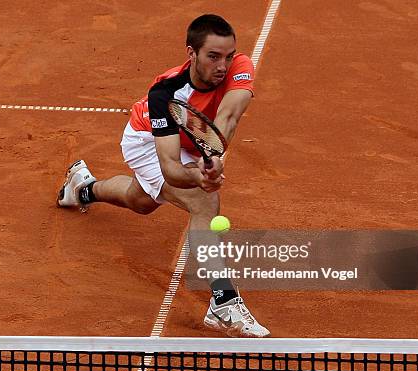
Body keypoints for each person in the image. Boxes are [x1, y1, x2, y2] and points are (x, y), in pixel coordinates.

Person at [57, 14, 270, 337]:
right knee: (203, 201)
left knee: (141, 201)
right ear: (191, 54)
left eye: (228, 56)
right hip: (146, 140)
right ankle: (223, 302)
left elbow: (228, 115)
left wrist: (213, 157)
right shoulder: (165, 95)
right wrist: (201, 178)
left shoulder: (239, 65)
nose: (222, 65)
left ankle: (84, 188)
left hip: (194, 142)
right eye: (213, 56)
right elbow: (170, 168)